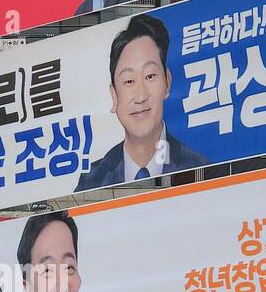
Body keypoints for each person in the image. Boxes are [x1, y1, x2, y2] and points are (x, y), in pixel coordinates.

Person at [76, 13, 205, 191]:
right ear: (114, 95)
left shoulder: (199, 166)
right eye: (129, 81)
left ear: (167, 82)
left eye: (150, 76)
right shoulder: (92, 179)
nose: (140, 96)